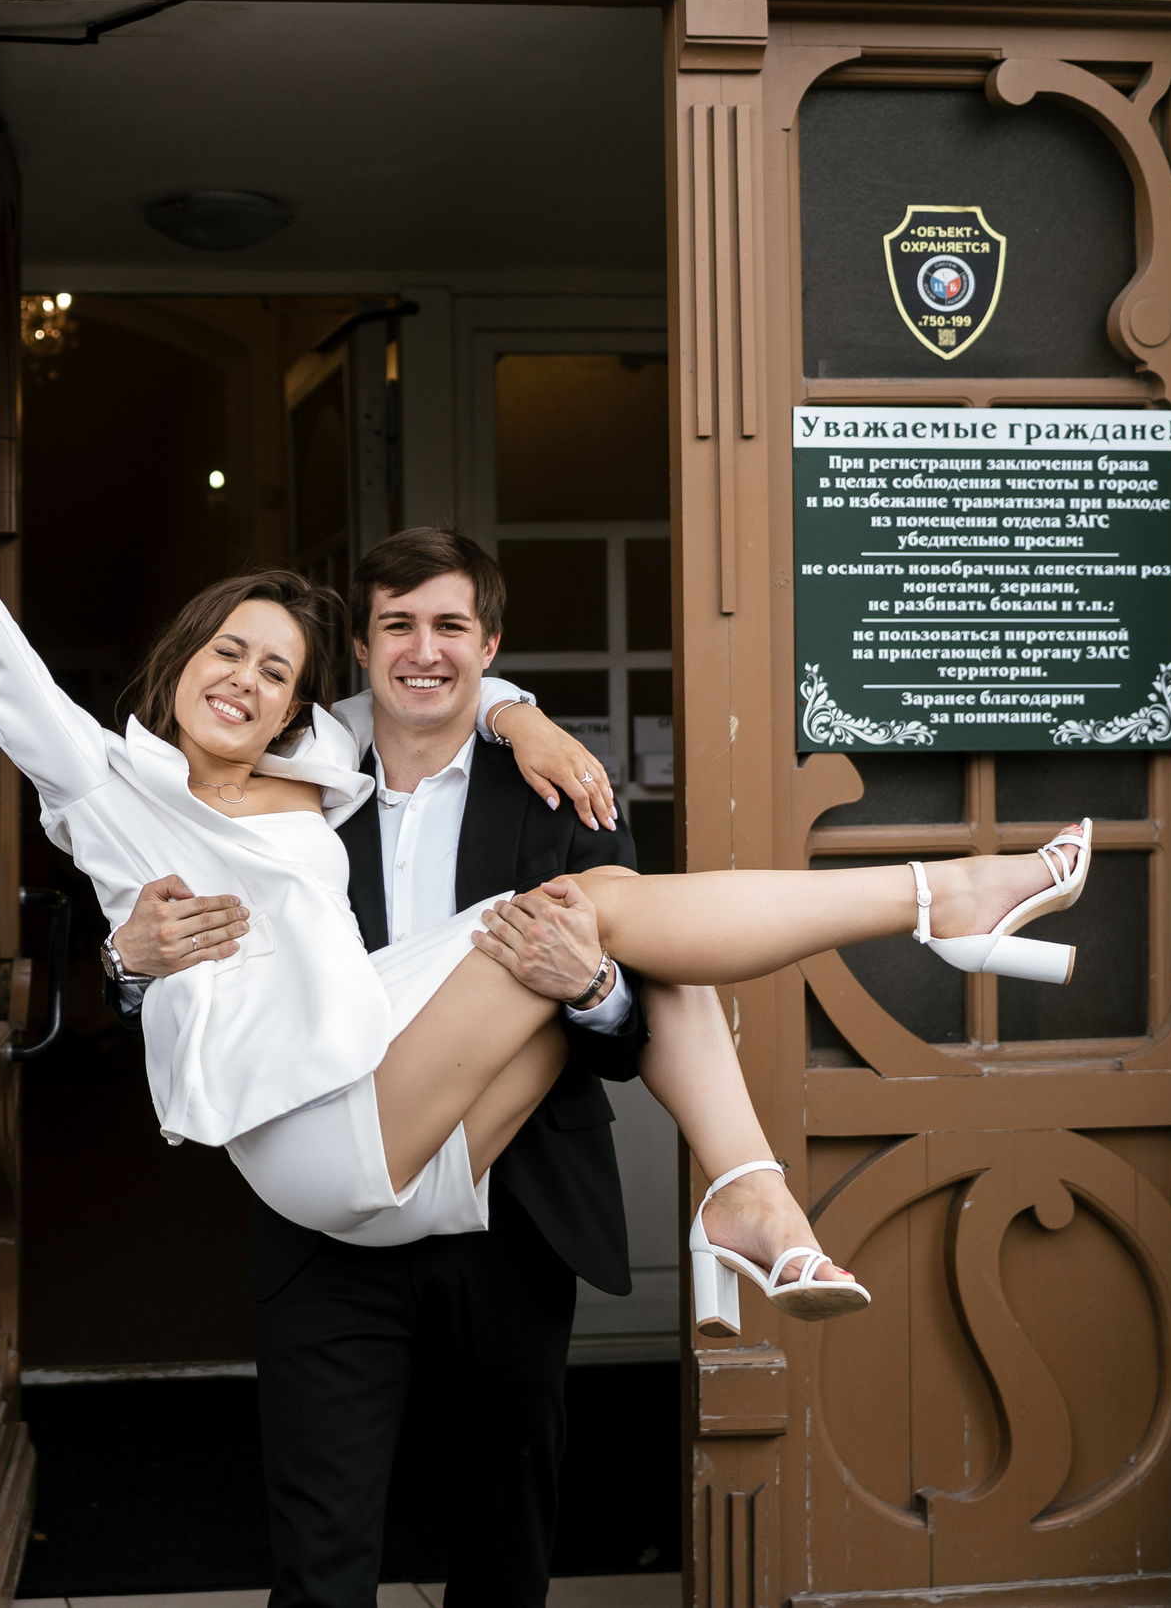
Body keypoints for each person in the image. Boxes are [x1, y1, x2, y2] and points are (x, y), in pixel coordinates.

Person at [0, 431, 1090, 1313]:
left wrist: (517, 711)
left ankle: (752, 1194)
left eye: (276, 671)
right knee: (596, 905)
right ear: (181, 658)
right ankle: (940, 901)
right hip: (309, 1128)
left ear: (302, 703)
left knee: (619, 927)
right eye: (227, 652)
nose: (245, 680)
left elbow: (430, 680)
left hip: (400, 1090)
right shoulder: (107, 785)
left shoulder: (319, 762)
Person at [108, 528, 728, 1607]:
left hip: (514, 1210)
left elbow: (635, 1034)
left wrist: (592, 988)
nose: (424, 650)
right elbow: (186, 969)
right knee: (321, 1552)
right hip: (327, 1221)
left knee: (504, 1551)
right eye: (397, 625)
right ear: (360, 648)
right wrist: (127, 964)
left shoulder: (560, 792)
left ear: (490, 645)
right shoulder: (289, 788)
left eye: (451, 626)